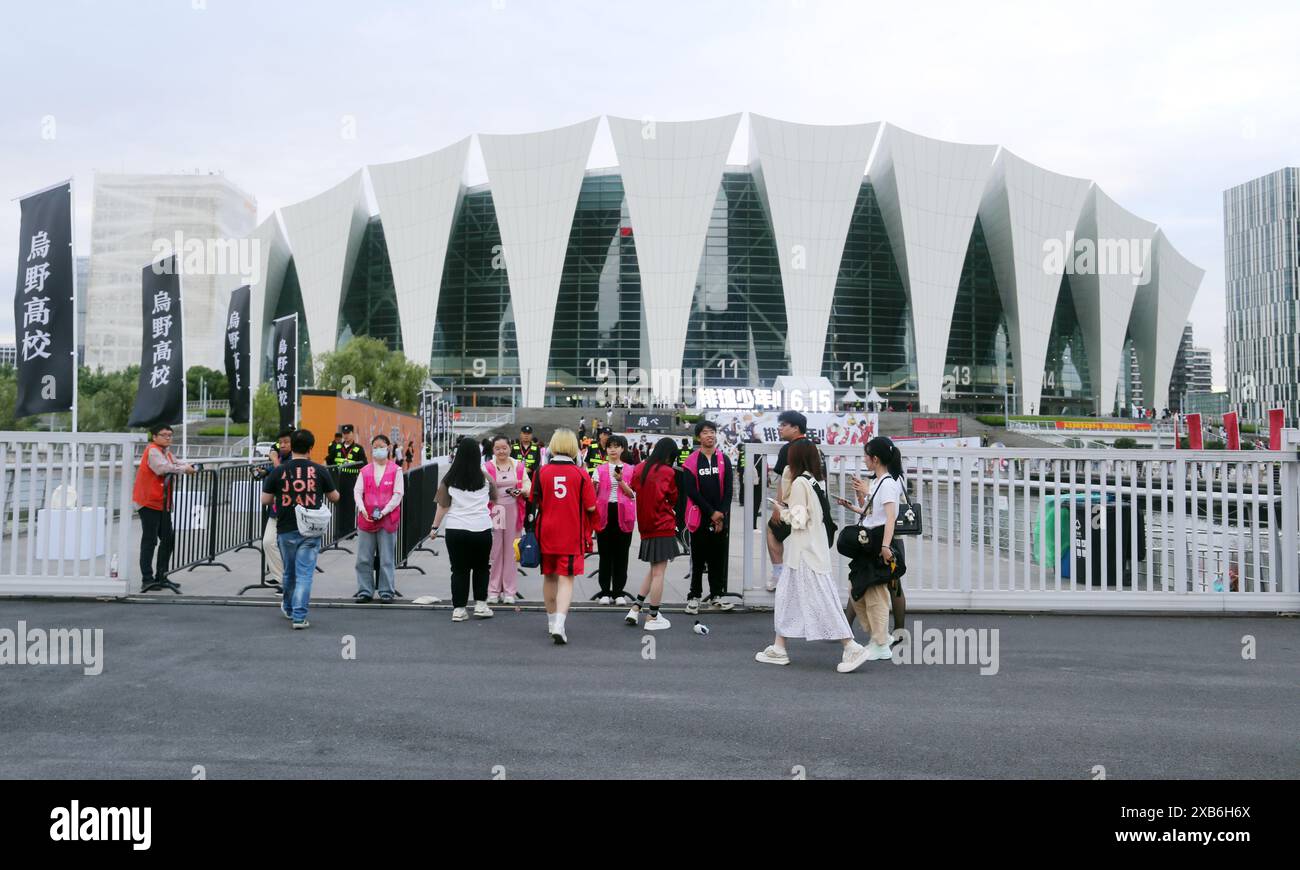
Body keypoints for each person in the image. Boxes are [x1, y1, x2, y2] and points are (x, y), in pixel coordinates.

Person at [754, 440, 869, 672]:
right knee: (789, 598)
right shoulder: (815, 481)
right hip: (812, 552)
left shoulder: (799, 483)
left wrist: (781, 511)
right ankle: (779, 647)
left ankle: (851, 646)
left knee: (819, 601)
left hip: (803, 554)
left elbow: (798, 519)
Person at [260, 429, 340, 628]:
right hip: (311, 530)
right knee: (304, 573)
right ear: (311, 448)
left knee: (289, 572)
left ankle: (288, 607)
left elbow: (265, 499)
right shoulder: (319, 470)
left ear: (290, 446)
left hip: (286, 527)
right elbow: (335, 497)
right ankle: (299, 616)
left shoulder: (280, 470)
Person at [837, 437, 908, 650]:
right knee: (865, 583)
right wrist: (856, 501)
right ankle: (867, 634)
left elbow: (889, 518)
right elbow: (871, 512)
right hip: (879, 539)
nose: (864, 460)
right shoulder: (879, 481)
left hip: (886, 540)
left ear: (875, 458)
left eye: (866, 456)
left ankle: (886, 637)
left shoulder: (889, 482)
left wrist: (886, 547)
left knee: (885, 586)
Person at [530, 428, 597, 644]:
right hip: (571, 533)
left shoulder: (541, 472)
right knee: (566, 579)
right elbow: (591, 507)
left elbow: (534, 501)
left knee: (549, 577)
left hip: (546, 531)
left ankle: (551, 622)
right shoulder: (580, 474)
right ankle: (560, 623)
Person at [430, 438, 497, 622]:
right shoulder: (485, 478)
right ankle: (481, 606)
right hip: (482, 529)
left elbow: (442, 507)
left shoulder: (449, 479)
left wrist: (434, 528)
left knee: (459, 570)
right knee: (482, 568)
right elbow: (494, 498)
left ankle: (459, 609)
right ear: (478, 455)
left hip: (456, 529)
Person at [624, 437, 681, 631]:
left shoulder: (640, 468)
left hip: (646, 526)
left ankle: (635, 607)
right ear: (668, 455)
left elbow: (632, 488)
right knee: (659, 573)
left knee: (653, 569)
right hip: (662, 525)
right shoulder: (667, 472)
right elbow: (673, 497)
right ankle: (653, 616)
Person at [133, 424, 197, 593]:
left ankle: (161, 576)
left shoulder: (165, 452)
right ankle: (147, 579)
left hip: (161, 503)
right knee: (150, 541)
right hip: (149, 502)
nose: (168, 437)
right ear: (154, 437)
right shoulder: (153, 450)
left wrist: (189, 465)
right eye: (164, 435)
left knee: (168, 539)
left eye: (170, 435)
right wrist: (185, 469)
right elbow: (162, 468)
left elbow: (175, 462)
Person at [682, 420, 734, 614]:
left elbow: (729, 489)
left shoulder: (724, 459)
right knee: (698, 559)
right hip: (701, 518)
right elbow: (691, 491)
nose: (709, 435)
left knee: (717, 559)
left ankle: (716, 596)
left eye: (712, 432)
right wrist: (711, 513)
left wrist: (720, 514)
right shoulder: (691, 461)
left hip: (720, 519)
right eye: (705, 432)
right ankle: (694, 596)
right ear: (698, 437)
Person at [353, 434, 404, 603]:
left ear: (388, 448)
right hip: (366, 519)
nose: (378, 449)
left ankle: (386, 591)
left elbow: (398, 494)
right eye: (375, 447)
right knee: (363, 558)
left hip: (387, 520)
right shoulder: (365, 470)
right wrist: (362, 509)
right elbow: (357, 492)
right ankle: (365, 591)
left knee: (387, 558)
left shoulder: (395, 470)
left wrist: (385, 511)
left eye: (381, 446)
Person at [766, 410, 812, 592]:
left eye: (784, 425)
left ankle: (779, 573)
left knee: (772, 531)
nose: (780, 428)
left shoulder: (789, 449)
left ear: (795, 428)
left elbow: (783, 481)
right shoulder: (813, 448)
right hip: (811, 505)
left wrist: (778, 506)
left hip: (792, 505)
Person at [484, 434, 531, 605]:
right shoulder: (487, 466)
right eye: (497, 448)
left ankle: (510, 591)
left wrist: (521, 491)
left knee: (511, 551)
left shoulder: (518, 465)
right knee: (496, 551)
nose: (501, 451)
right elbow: (483, 489)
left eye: (504, 448)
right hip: (496, 511)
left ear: (510, 448)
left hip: (514, 511)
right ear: (493, 450)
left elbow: (528, 485)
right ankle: (493, 590)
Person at [591, 434, 637, 605]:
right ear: (606, 449)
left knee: (621, 554)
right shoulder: (600, 469)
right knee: (605, 554)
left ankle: (618, 592)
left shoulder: (631, 469)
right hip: (605, 512)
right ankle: (604, 592)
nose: (612, 449)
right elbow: (593, 494)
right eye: (610, 446)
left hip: (623, 514)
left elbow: (632, 494)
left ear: (622, 449)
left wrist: (621, 481)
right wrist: (593, 487)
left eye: (616, 446)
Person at [254, 427, 295, 586]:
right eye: (280, 442)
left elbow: (283, 474)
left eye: (286, 442)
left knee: (287, 546)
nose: (282, 445)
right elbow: (273, 470)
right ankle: (282, 578)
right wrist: (264, 472)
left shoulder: (295, 458)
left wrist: (274, 460)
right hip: (276, 509)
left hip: (290, 510)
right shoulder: (281, 458)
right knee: (268, 542)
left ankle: (286, 581)